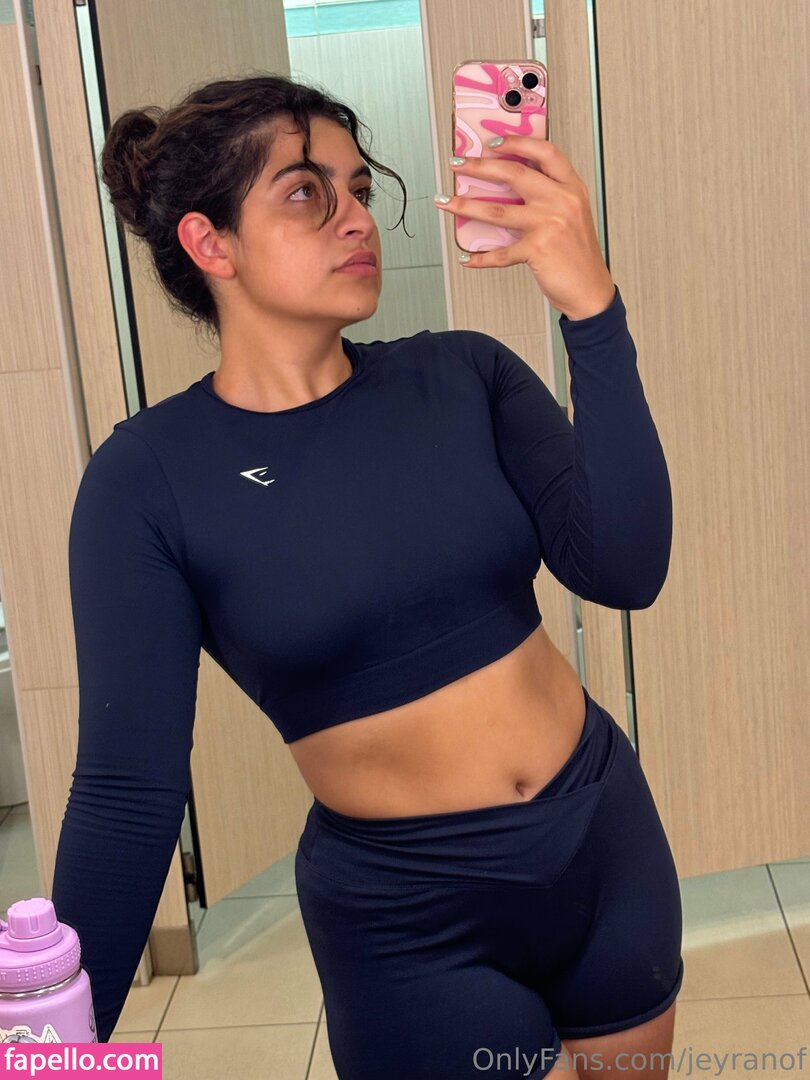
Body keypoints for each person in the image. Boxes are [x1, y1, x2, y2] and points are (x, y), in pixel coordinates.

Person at [51, 73, 683, 1078]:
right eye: (306, 193)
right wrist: (54, 1044)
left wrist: (590, 308)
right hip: (409, 919)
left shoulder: (466, 374)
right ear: (210, 244)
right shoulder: (147, 481)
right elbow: (128, 792)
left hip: (605, 844)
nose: (355, 218)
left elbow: (627, 567)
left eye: (357, 188)